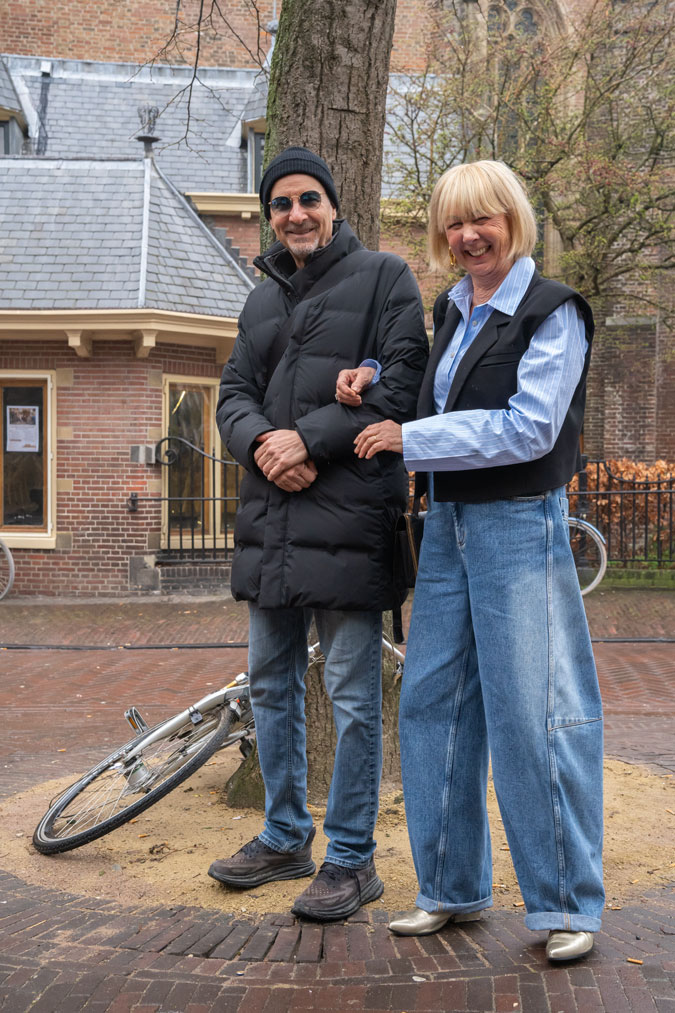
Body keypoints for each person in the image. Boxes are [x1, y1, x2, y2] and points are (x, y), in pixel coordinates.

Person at [338, 160, 604, 960]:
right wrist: (373, 378)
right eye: (453, 223)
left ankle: (566, 903)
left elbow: (529, 427)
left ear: (512, 219)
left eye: (481, 218)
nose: (467, 235)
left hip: (517, 525)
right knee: (431, 705)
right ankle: (449, 888)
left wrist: (410, 438)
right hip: (447, 523)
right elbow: (440, 393)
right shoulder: (452, 309)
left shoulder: (554, 312)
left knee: (533, 712)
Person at [212, 146, 428, 921]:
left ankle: (351, 857)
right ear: (268, 216)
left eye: (309, 199)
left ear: (333, 205)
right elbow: (231, 395)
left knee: (351, 693)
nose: (295, 213)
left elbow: (402, 383)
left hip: (348, 519)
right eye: (280, 203)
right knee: (269, 686)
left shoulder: (386, 277)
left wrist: (305, 439)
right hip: (271, 522)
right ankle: (283, 835)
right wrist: (261, 446)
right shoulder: (259, 300)